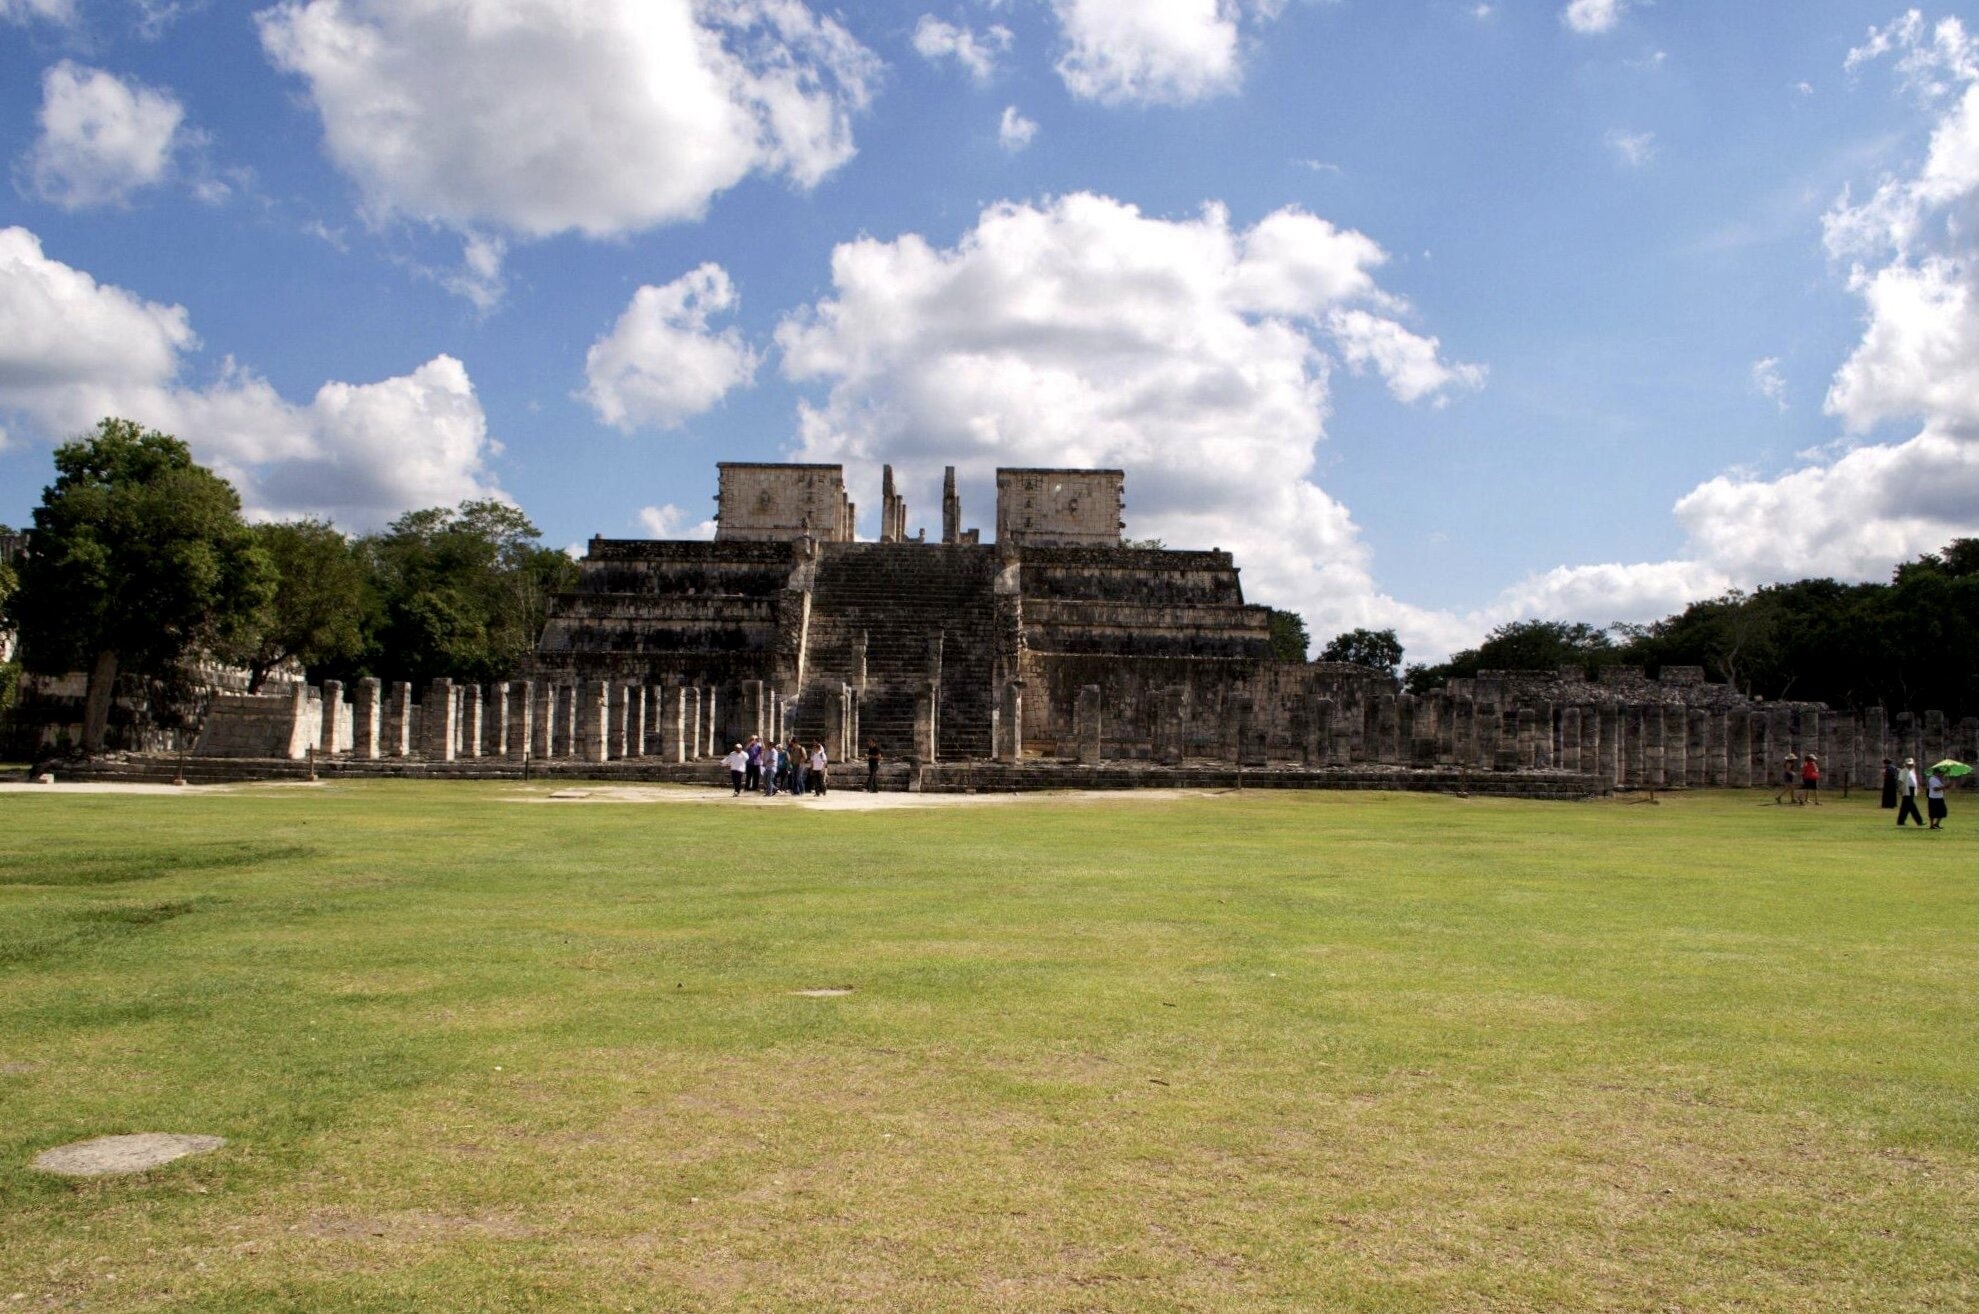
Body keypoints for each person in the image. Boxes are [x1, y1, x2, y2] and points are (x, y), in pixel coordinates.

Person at [1895, 758, 1924, 827]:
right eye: (1909, 764)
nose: (1910, 765)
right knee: (1912, 806)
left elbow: (1914, 781)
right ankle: (1919, 821)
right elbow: (1900, 781)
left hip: (1912, 789)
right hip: (1906, 790)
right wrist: (1899, 789)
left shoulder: (1912, 771)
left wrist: (1918, 787)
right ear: (1906, 764)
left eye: (1911, 764)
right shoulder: (1903, 771)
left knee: (1905, 807)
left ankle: (1900, 821)